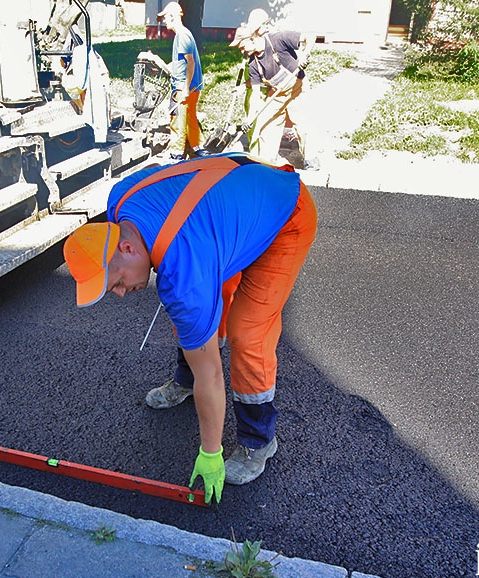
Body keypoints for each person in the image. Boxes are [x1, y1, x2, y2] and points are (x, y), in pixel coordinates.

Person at [62, 154, 317, 504]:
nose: (121, 293)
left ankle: (259, 441)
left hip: (284, 214)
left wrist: (210, 453)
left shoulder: (185, 273)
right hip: (231, 207)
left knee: (247, 332)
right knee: (202, 311)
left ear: (126, 247)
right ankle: (185, 380)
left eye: (117, 281)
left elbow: (211, 374)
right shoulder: (120, 199)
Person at [230, 11, 317, 170]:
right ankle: (267, 161)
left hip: (297, 87)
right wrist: (250, 119)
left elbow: (311, 36)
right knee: (265, 123)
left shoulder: (278, 39)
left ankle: (311, 160)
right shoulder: (253, 64)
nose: (242, 50)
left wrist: (304, 54)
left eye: (242, 45)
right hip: (278, 93)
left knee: (302, 123)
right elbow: (255, 95)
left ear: (251, 39)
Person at [140, 1, 208, 160]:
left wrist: (184, 89)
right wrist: (161, 63)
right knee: (190, 118)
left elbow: (190, 63)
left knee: (177, 119)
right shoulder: (184, 34)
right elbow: (181, 63)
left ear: (172, 17)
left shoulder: (182, 36)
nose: (164, 21)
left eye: (165, 18)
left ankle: (176, 154)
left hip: (183, 87)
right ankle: (199, 148)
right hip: (192, 86)